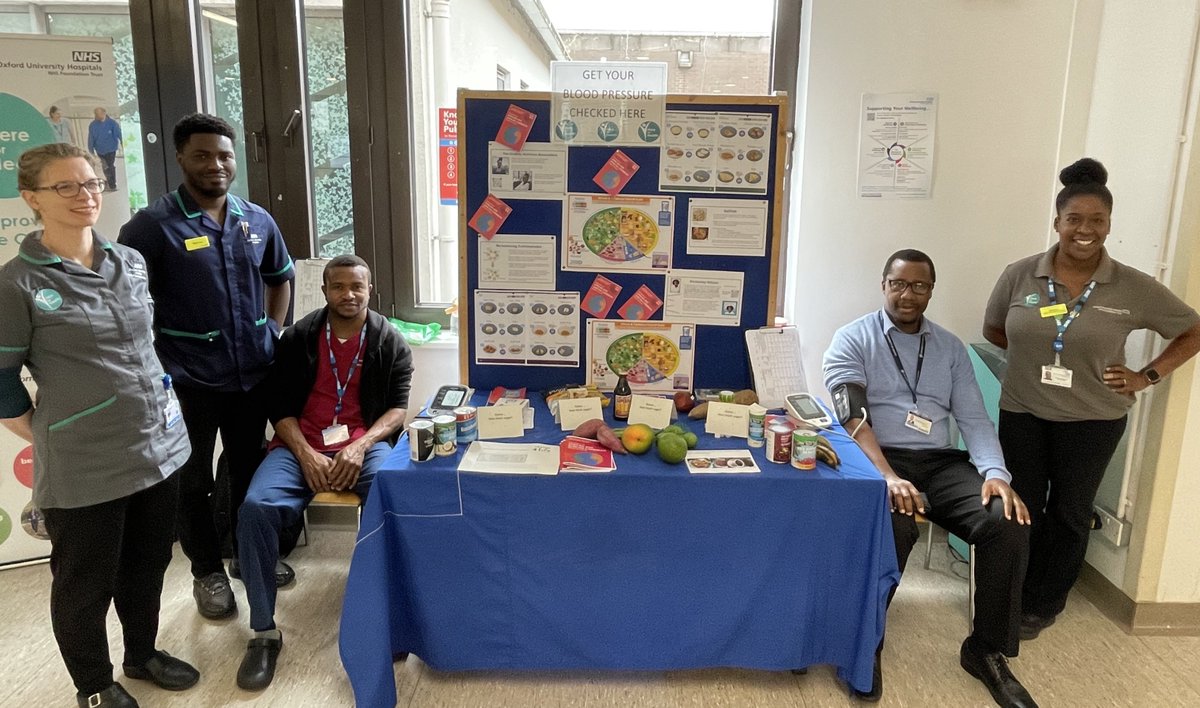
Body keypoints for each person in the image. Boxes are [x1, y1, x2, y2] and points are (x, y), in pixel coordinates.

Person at [0, 143, 197, 708]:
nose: (85, 196)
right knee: (85, 581)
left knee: (149, 562)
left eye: (91, 183)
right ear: (32, 198)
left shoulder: (129, 261)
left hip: (159, 443)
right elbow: (2, 377)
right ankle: (94, 684)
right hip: (83, 462)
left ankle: (142, 653)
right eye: (66, 187)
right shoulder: (16, 283)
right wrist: (40, 429)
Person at [983, 158, 1200, 640]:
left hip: (1094, 420)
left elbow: (1192, 329)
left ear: (1108, 225)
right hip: (1022, 413)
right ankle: (1010, 592)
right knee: (1021, 509)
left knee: (1069, 513)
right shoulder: (1020, 275)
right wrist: (1034, 360)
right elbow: (995, 329)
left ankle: (1044, 602)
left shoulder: (1133, 285)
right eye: (1074, 220)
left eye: (1096, 221)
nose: (1085, 230)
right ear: (1057, 222)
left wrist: (1147, 375)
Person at [823, 249, 1036, 708]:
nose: (908, 294)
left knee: (1009, 522)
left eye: (919, 286)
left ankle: (985, 649)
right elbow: (853, 418)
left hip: (940, 462)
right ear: (884, 285)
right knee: (894, 526)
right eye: (899, 283)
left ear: (930, 292)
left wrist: (996, 474)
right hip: (877, 458)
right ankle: (866, 642)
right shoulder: (852, 339)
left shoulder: (950, 347)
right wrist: (886, 476)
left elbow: (975, 419)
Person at [119, 113, 295, 620]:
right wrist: (152, 363)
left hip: (250, 376)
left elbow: (279, 277)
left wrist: (274, 331)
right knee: (189, 478)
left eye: (223, 155)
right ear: (180, 158)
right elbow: (127, 304)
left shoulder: (254, 219)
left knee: (247, 468)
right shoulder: (151, 227)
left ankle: (246, 555)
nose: (215, 165)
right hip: (186, 382)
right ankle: (207, 572)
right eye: (202, 155)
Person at [235, 255, 413, 691]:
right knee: (255, 508)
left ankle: (390, 616)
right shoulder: (297, 338)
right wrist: (307, 454)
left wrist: (359, 445)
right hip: (300, 445)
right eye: (339, 287)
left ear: (371, 290)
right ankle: (262, 632)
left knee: (393, 499)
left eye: (357, 286)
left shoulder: (391, 341)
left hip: (362, 445)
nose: (348, 295)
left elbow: (397, 409)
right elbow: (277, 408)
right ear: (324, 290)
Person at [87, 107, 121, 191]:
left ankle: (112, 184)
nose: (98, 116)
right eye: (96, 114)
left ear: (104, 113)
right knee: (105, 166)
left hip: (111, 149)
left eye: (99, 113)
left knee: (110, 166)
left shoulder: (112, 123)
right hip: (100, 150)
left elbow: (119, 134)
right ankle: (111, 182)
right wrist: (91, 150)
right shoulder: (93, 125)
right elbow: (91, 138)